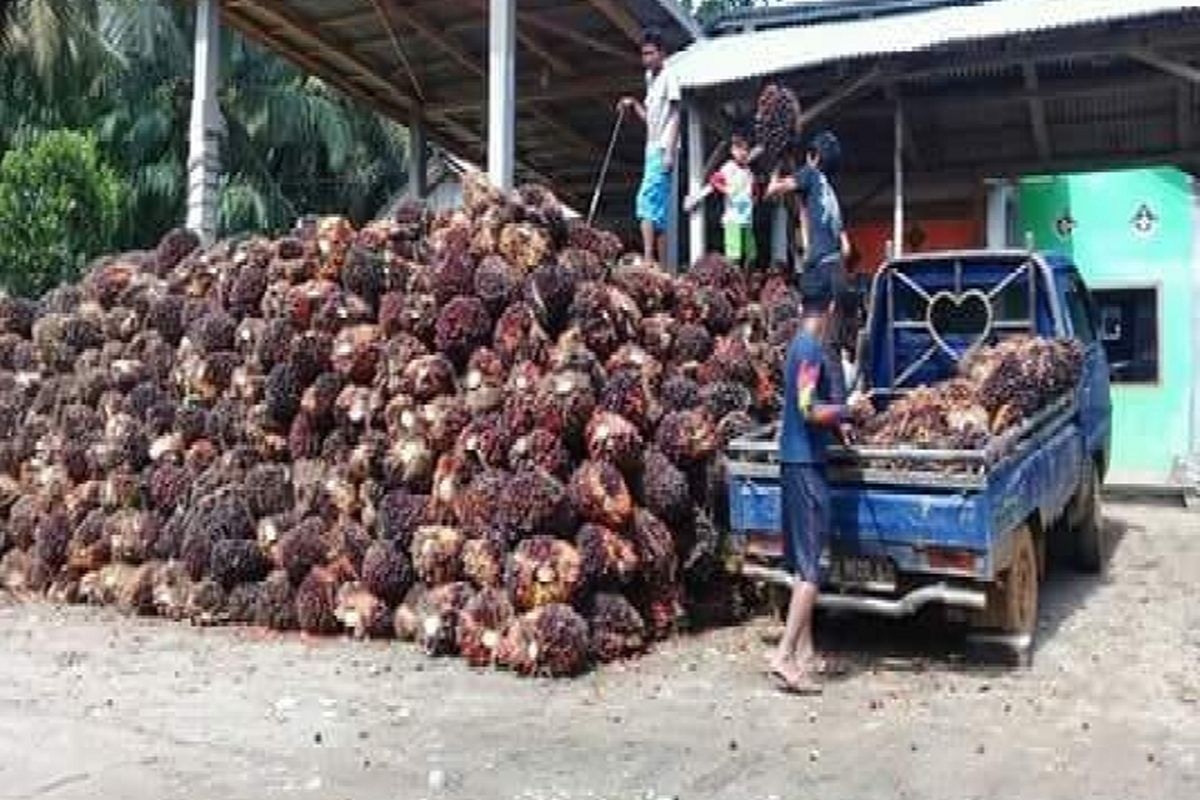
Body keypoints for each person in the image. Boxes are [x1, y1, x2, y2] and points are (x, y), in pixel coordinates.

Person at [769, 280, 871, 694]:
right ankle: (784, 655)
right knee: (812, 570)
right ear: (829, 308)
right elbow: (809, 408)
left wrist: (839, 427)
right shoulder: (810, 349)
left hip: (793, 461)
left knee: (800, 566)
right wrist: (851, 410)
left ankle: (807, 654)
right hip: (807, 465)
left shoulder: (796, 346)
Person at [766, 130, 849, 402]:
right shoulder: (832, 196)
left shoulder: (811, 175)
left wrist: (776, 168)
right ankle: (839, 414)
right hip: (837, 270)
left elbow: (773, 192)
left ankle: (805, 406)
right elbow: (846, 247)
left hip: (820, 271)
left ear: (813, 157)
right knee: (830, 346)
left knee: (809, 340)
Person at [617, 27, 680, 266]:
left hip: (663, 149)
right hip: (652, 147)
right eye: (643, 54)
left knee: (644, 202)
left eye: (651, 53)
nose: (646, 59)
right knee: (659, 213)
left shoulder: (669, 77)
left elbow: (675, 115)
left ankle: (647, 258)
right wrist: (633, 105)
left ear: (662, 53)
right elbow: (652, 121)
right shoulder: (650, 79)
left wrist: (669, 152)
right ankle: (663, 267)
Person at [707, 131, 758, 271]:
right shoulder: (729, 167)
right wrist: (727, 190)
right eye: (739, 149)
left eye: (746, 150)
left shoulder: (749, 172)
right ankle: (732, 282)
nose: (743, 153)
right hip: (733, 220)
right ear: (732, 151)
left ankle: (745, 280)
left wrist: (753, 200)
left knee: (751, 254)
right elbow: (714, 180)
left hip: (747, 220)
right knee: (733, 255)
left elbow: (754, 191)